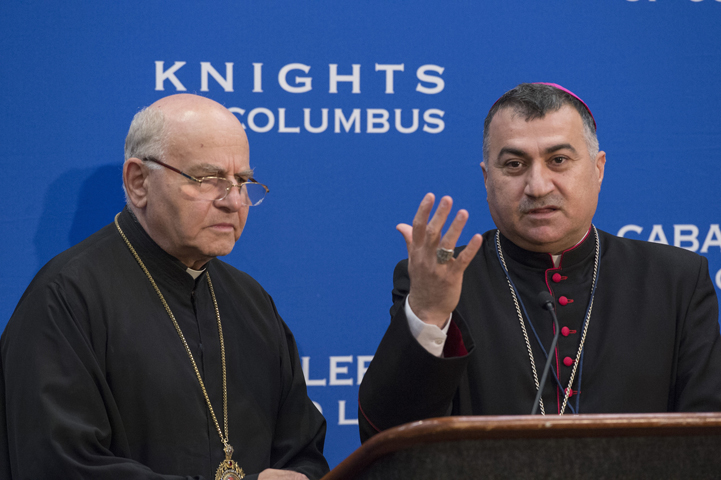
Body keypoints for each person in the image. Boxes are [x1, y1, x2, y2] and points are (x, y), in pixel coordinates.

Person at [358, 82, 721, 441]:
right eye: (514, 164)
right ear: (487, 179)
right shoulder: (439, 280)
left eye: (558, 160)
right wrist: (429, 314)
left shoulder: (677, 282)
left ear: (598, 169)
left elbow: (706, 441)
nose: (538, 185)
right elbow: (390, 440)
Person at [0, 94, 329, 479]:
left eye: (242, 181)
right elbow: (60, 466)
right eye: (209, 180)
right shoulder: (66, 298)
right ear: (138, 181)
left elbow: (303, 449)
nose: (234, 201)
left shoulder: (251, 301)